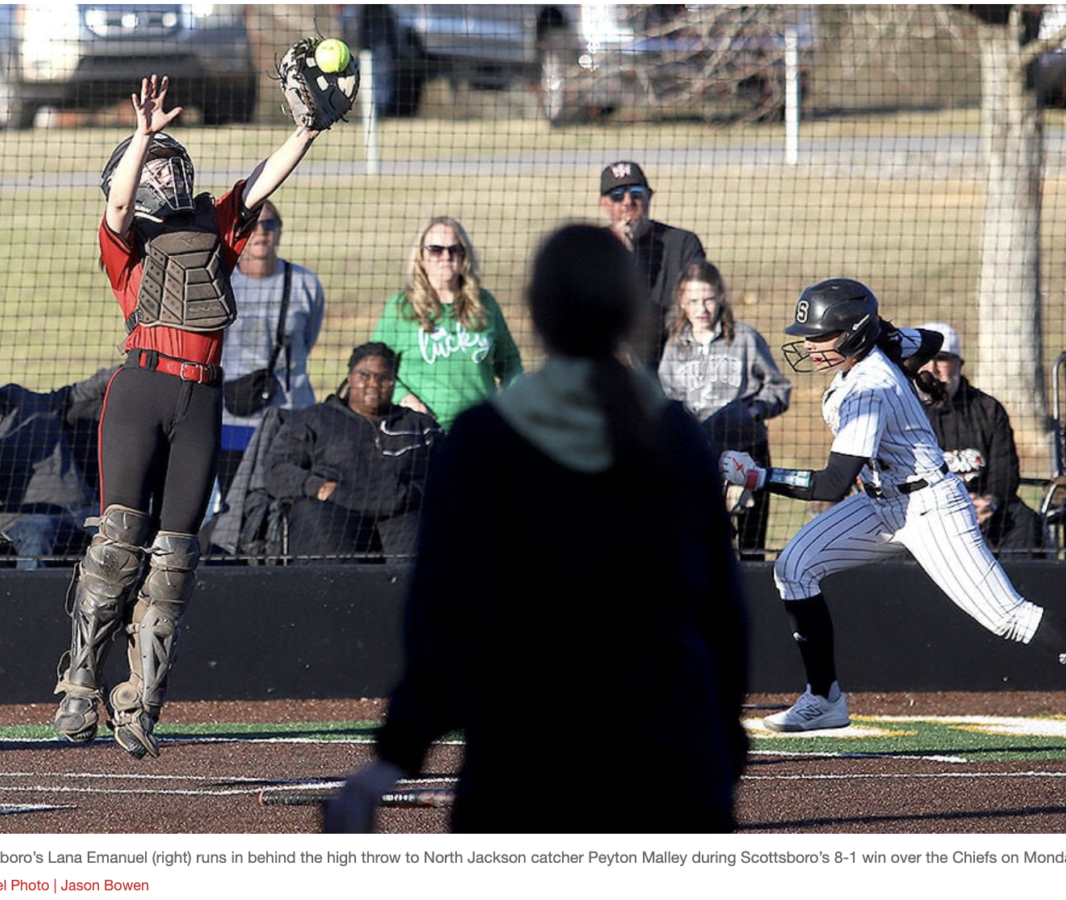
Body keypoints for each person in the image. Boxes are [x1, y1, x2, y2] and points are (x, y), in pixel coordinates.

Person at [326, 224, 748, 833]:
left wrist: (396, 755)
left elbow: (445, 613)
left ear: (535, 313)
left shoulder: (486, 439)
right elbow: (723, 612)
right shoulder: (673, 436)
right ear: (630, 310)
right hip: (671, 757)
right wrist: (726, 743)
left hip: (523, 762)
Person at [720, 278, 1066, 757]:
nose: (810, 344)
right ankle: (824, 697)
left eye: (822, 335)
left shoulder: (870, 387)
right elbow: (928, 341)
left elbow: (831, 485)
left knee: (1007, 617)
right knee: (794, 567)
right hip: (886, 500)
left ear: (852, 334)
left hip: (930, 507)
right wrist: (889, 335)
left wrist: (756, 476)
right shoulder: (878, 348)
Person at [52, 74, 328, 760]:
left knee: (175, 559)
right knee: (118, 546)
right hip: (140, 390)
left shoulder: (214, 224)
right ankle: (82, 682)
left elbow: (262, 184)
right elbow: (117, 208)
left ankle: (139, 702)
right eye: (157, 164)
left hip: (201, 397)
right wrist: (142, 136)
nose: (170, 173)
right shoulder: (129, 245)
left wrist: (308, 130)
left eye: (175, 161)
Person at [658, 261, 791, 557]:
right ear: (681, 302)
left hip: (747, 450)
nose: (701, 309)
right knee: (704, 543)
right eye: (693, 301)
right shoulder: (676, 345)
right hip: (699, 457)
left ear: (720, 296)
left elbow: (779, 388)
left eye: (708, 299)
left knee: (751, 544)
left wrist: (753, 411)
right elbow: (668, 398)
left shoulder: (744, 338)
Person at [264, 342, 441, 563]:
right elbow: (277, 470)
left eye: (383, 378)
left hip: (402, 513)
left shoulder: (419, 425)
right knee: (313, 518)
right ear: (350, 377)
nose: (373, 384)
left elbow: (449, 475)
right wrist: (318, 487)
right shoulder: (315, 418)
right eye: (364, 375)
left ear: (394, 382)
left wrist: (410, 493)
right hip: (334, 511)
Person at [370, 216, 522, 431]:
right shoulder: (401, 308)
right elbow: (374, 367)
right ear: (421, 257)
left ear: (464, 255)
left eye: (454, 249)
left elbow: (510, 362)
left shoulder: (485, 304)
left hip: (478, 432)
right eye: (435, 249)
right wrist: (407, 401)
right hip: (420, 434)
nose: (446, 256)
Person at [217, 200, 325, 494]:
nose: (262, 232)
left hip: (292, 412)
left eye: (270, 224)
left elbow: (308, 339)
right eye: (253, 225)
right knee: (233, 505)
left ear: (279, 232)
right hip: (232, 417)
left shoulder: (305, 283)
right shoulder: (221, 282)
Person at [0, 336, 112, 568]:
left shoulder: (23, 400)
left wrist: (133, 368)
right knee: (38, 530)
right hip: (22, 522)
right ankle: (26, 602)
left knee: (131, 530)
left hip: (84, 514)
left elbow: (75, 395)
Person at [916, 322, 1042, 554]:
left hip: (983, 506)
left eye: (943, 359)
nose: (933, 368)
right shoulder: (903, 412)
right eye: (925, 359)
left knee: (1023, 520)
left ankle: (1016, 589)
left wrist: (990, 502)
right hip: (925, 511)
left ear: (959, 365)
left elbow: (1005, 469)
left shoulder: (987, 409)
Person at [599, 161, 706, 369]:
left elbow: (698, 305)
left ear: (649, 196)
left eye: (636, 192)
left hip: (676, 357)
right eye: (617, 195)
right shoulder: (592, 247)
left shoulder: (682, 243)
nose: (628, 202)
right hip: (612, 365)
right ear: (604, 203)